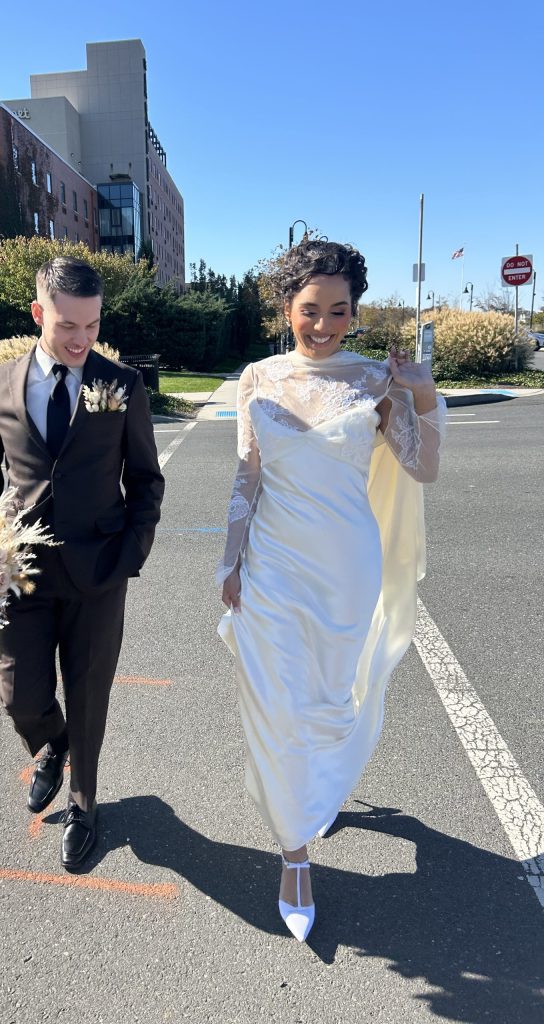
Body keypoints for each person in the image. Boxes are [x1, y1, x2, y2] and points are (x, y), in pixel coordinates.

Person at [216, 239, 446, 940]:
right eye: (310, 310)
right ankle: (295, 855)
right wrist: (230, 562)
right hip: (273, 572)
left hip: (347, 570)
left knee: (330, 706)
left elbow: (422, 468)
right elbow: (246, 477)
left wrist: (423, 391)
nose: (323, 325)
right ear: (285, 307)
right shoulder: (257, 379)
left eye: (338, 311)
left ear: (354, 312)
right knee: (277, 708)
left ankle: (322, 790)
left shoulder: (377, 380)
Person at [0, 257, 164, 870]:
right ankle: (50, 744)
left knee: (90, 694)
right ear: (38, 313)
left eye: (92, 326)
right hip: (18, 570)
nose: (80, 340)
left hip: (99, 572)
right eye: (68, 325)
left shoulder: (121, 384)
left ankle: (85, 803)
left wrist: (130, 556)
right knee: (20, 694)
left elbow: (147, 479)